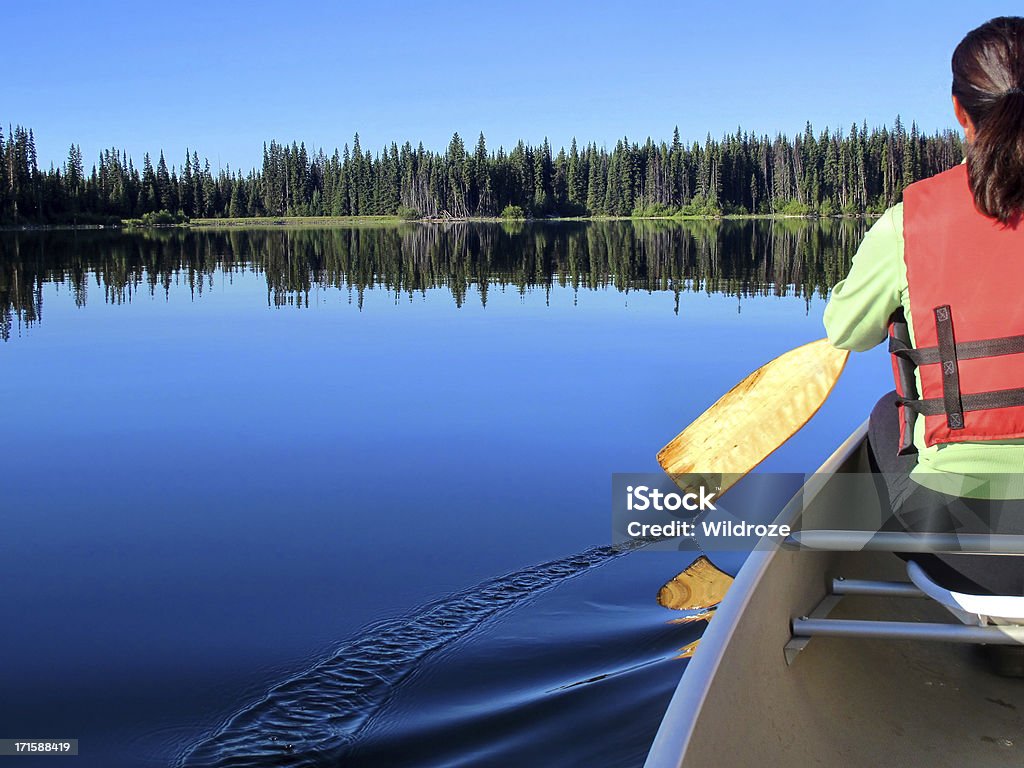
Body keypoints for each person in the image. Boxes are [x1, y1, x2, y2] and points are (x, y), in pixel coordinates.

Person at [823, 16, 1024, 599]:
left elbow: (845, 330)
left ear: (961, 113)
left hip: (964, 553)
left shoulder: (908, 224)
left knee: (891, 412)